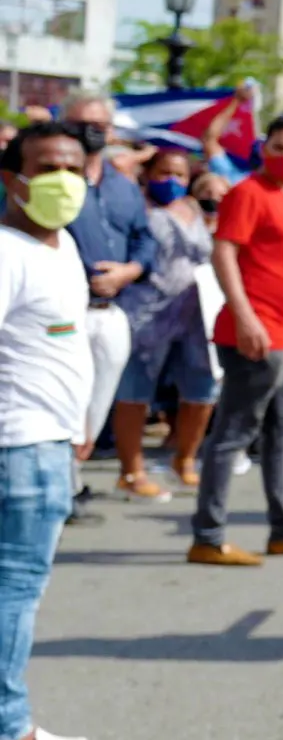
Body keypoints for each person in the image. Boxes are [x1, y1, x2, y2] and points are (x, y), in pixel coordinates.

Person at [187, 114, 283, 567]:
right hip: (257, 333)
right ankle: (209, 536)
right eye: (279, 147)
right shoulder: (248, 194)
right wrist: (246, 316)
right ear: (263, 149)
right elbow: (224, 251)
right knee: (235, 432)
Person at [0, 122, 98, 740]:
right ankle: (9, 727)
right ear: (13, 180)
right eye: (46, 166)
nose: (62, 179)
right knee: (17, 586)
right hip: (22, 445)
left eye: (72, 166)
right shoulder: (9, 251)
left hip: (50, 438)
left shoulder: (59, 244)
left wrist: (80, 423)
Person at [58, 92, 155, 514]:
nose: (90, 132)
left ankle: (69, 480)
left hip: (112, 314)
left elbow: (144, 240)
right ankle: (62, 489)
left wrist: (128, 271)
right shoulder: (50, 183)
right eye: (80, 124)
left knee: (95, 406)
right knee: (64, 401)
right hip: (65, 313)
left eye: (98, 124)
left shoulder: (123, 186)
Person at [108, 146, 217, 492]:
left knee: (202, 388)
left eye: (181, 175)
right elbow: (114, 164)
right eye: (164, 173)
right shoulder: (137, 206)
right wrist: (141, 155)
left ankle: (184, 458)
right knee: (136, 390)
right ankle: (131, 471)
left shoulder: (193, 208)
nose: (173, 181)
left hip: (196, 312)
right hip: (147, 311)